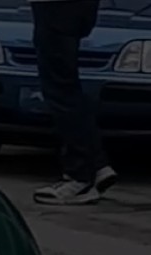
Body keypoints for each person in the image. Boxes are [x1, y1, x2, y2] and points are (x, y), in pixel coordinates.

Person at [30, 0, 117, 205]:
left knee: (60, 91)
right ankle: (96, 164)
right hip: (73, 10)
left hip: (58, 9)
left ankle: (79, 177)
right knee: (66, 88)